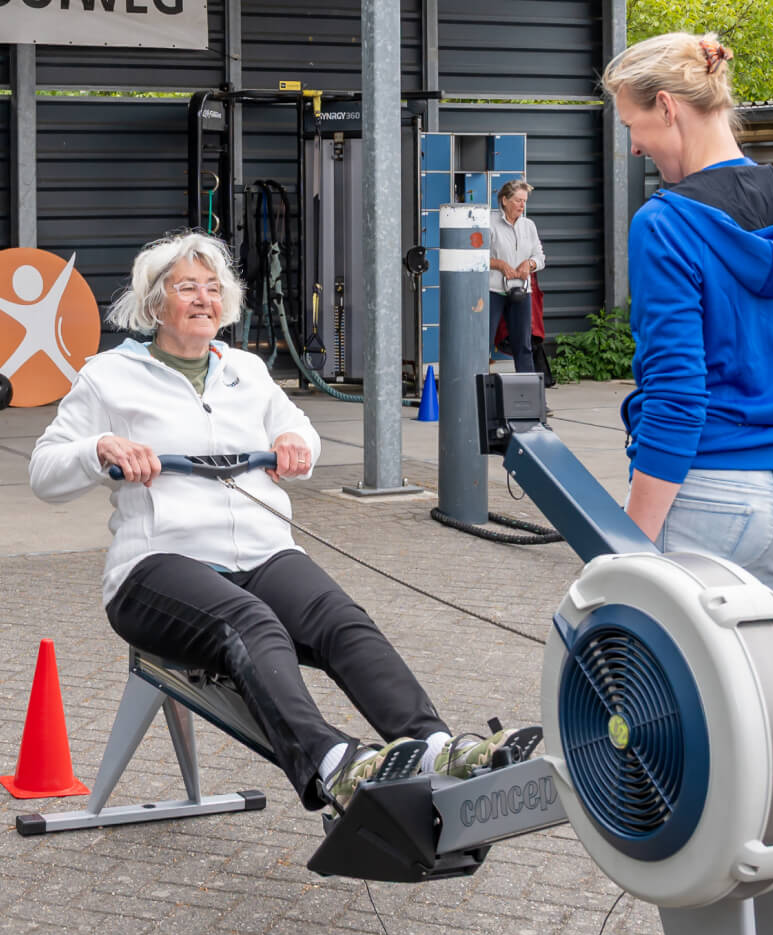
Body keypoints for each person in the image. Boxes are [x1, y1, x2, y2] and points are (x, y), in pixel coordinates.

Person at [29, 232, 540, 812]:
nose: (203, 298)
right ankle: (333, 762)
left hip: (262, 551)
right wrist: (100, 448)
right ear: (154, 303)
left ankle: (435, 747)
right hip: (157, 566)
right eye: (187, 287)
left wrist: (297, 443)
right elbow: (45, 472)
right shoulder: (109, 376)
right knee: (251, 622)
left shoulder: (245, 369)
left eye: (213, 288)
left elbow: (301, 431)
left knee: (342, 622)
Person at [601, 32, 773, 631]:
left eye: (633, 125)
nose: (634, 146)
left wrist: (628, 551)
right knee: (770, 682)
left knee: (669, 682)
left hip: (705, 492)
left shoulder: (665, 223)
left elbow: (677, 393)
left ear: (667, 107)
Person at [487, 179, 544, 377]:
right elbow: (477, 256)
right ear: (504, 200)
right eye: (518, 200)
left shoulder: (529, 226)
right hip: (493, 290)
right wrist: (500, 264)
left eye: (524, 201)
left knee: (524, 344)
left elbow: (540, 257)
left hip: (521, 291)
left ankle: (528, 389)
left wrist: (530, 264)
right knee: (483, 341)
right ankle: (475, 388)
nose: (522, 205)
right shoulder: (489, 223)